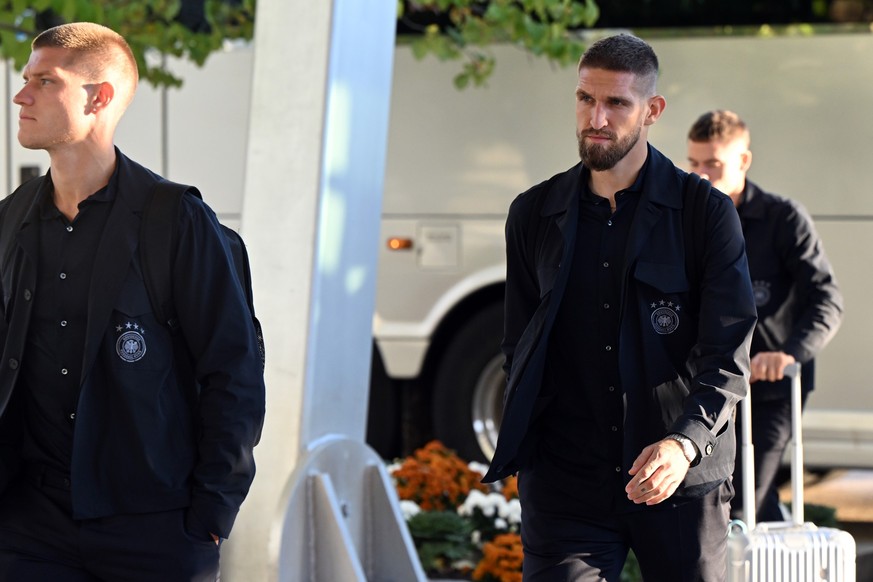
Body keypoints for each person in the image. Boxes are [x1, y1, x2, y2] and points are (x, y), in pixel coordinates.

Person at [481, 33, 757, 581]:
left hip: (680, 478)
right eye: (586, 99)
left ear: (652, 110)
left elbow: (728, 355)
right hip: (566, 482)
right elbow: (520, 341)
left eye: (616, 104)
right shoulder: (533, 213)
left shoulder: (704, 212)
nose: (596, 118)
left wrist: (685, 444)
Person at [0, 22, 265, 580]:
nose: (21, 95)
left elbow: (234, 369)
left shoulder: (177, 221)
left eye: (44, 81)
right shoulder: (8, 222)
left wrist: (212, 511)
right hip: (28, 527)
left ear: (100, 97)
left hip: (155, 528)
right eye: (25, 79)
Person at [687, 110, 843, 523]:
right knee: (718, 495)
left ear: (743, 161)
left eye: (713, 164)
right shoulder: (685, 219)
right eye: (694, 164)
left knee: (745, 497)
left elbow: (827, 299)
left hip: (770, 389)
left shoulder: (784, 219)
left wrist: (789, 353)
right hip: (709, 385)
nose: (701, 175)